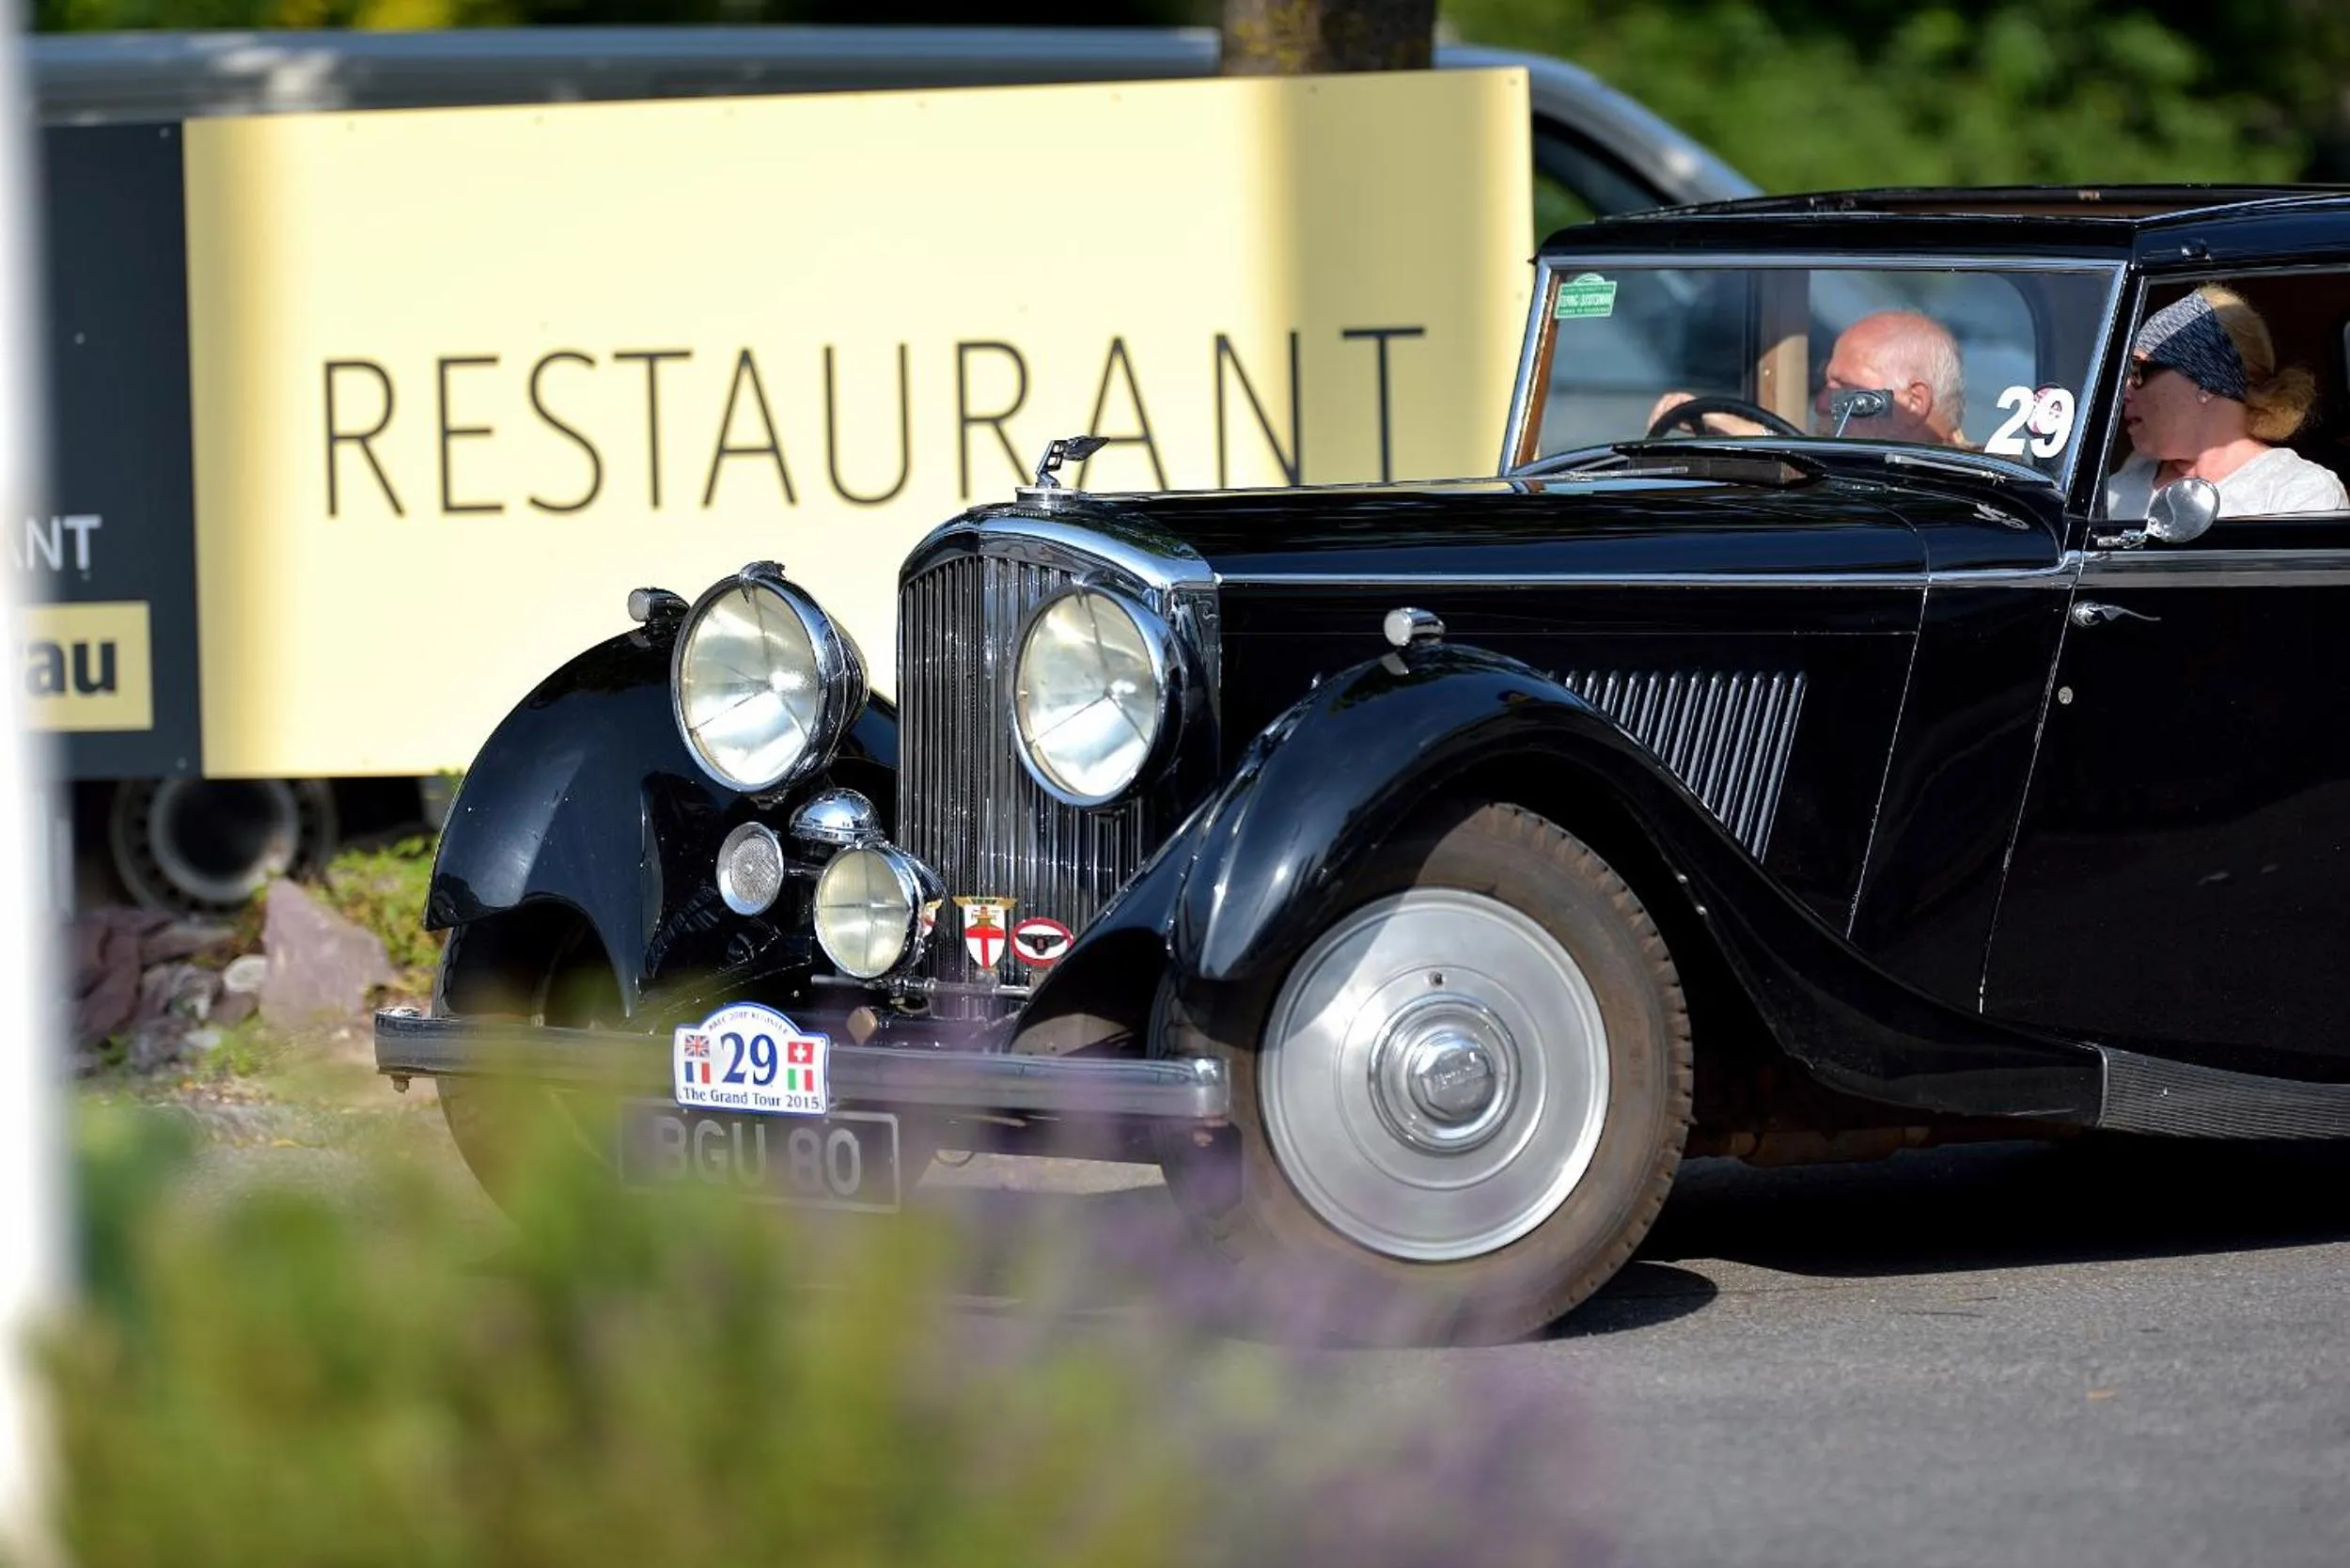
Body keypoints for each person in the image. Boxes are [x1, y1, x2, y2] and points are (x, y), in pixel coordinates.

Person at [2104, 284, 2346, 519]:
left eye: (2138, 370)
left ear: (2207, 383)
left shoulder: (2298, 495)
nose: (2124, 391)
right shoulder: (2123, 482)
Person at [1647, 309, 1967, 447]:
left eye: (1847, 388)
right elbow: (1814, 457)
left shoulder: (1967, 495)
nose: (1823, 403)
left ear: (1914, 401)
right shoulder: (1863, 467)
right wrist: (1720, 421)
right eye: (1827, 384)